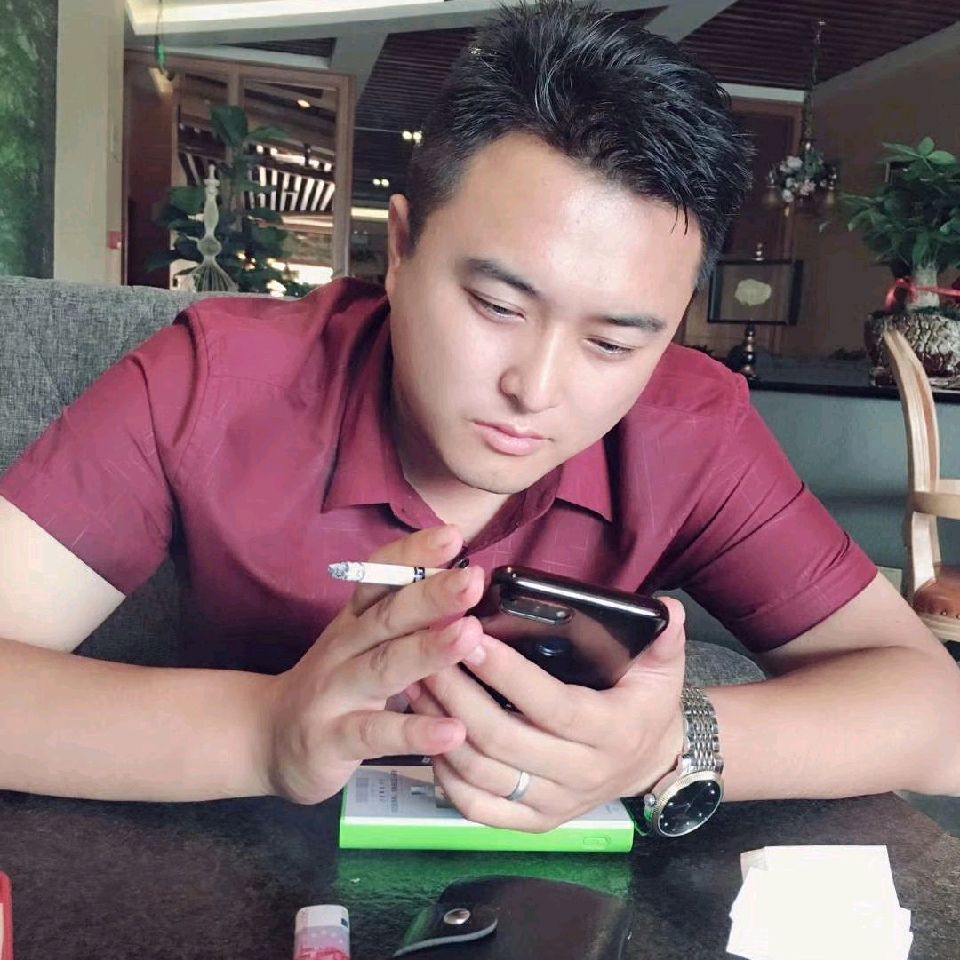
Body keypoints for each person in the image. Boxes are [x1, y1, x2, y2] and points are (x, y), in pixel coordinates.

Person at [1, 1, 958, 834]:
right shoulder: (213, 380)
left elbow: (939, 721)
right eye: (498, 305)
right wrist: (266, 733)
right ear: (401, 249)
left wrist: (668, 743)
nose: (535, 389)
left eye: (614, 343)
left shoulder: (689, 424)